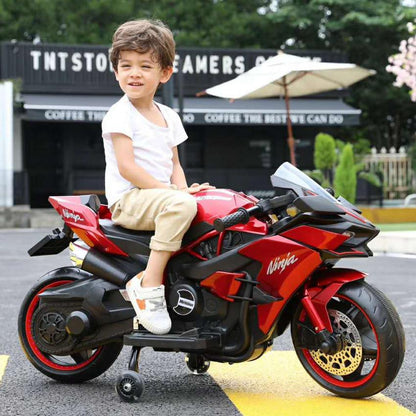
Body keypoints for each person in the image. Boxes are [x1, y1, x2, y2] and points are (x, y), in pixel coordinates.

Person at [102, 19, 213, 335]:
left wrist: (182, 189)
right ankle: (149, 284)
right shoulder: (120, 114)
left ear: (164, 73)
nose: (134, 73)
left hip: (157, 195)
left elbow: (174, 163)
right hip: (130, 199)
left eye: (145, 66)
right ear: (116, 71)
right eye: (126, 65)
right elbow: (128, 168)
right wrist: (174, 195)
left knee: (207, 206)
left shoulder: (170, 116)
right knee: (181, 207)